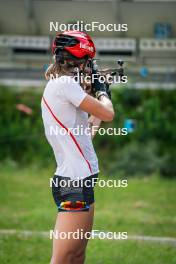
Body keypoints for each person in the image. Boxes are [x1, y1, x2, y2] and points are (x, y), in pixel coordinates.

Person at [41, 30, 115, 264]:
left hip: (81, 181)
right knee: (62, 259)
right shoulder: (64, 85)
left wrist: (100, 97)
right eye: (88, 62)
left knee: (77, 256)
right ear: (79, 61)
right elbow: (109, 113)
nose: (89, 68)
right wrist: (102, 92)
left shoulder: (63, 87)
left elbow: (87, 135)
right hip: (74, 183)